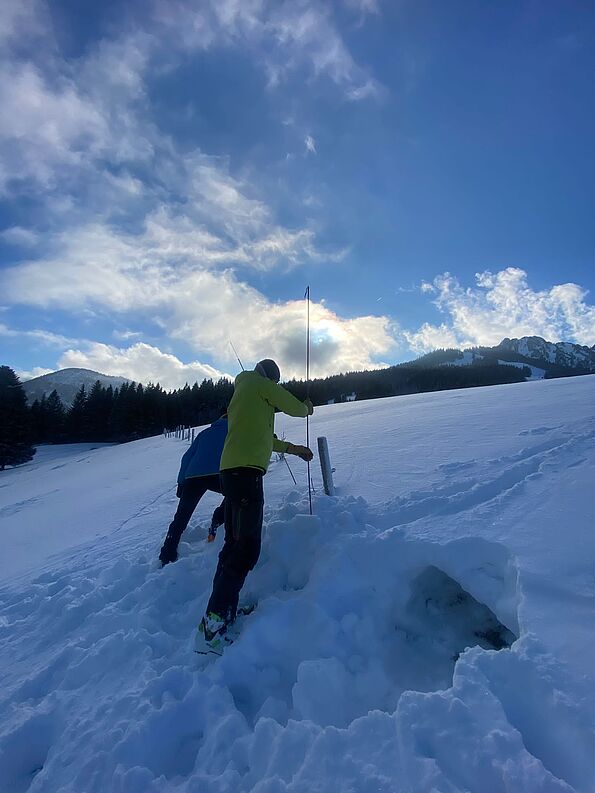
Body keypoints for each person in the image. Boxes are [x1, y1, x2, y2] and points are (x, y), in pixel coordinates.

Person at [196, 359, 313, 652]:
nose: (274, 388)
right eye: (275, 383)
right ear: (270, 379)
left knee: (233, 545)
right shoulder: (255, 383)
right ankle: (213, 624)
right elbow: (293, 405)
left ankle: (220, 614)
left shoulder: (247, 396)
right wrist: (306, 408)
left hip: (233, 474)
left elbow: (265, 439)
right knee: (246, 549)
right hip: (246, 475)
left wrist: (294, 449)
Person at [159, 413, 228, 566]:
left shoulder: (204, 433)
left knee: (181, 516)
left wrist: (181, 483)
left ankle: (167, 553)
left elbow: (186, 458)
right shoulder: (236, 431)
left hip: (193, 476)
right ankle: (218, 519)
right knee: (233, 494)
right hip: (219, 473)